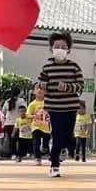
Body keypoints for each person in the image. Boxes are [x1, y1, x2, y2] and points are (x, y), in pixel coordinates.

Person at [37, 32, 84, 178]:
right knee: (56, 135)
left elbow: (80, 86)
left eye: (63, 47)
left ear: (68, 50)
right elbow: (38, 85)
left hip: (70, 107)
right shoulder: (47, 66)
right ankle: (54, 165)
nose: (60, 49)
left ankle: (66, 148)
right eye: (57, 46)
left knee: (68, 134)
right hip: (53, 107)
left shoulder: (74, 67)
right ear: (51, 48)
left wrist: (68, 87)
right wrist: (42, 86)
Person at [28, 83, 51, 166]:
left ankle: (45, 150)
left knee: (46, 144)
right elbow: (28, 115)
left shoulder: (48, 102)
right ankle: (37, 158)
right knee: (36, 143)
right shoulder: (32, 104)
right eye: (37, 88)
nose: (39, 90)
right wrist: (34, 116)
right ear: (34, 92)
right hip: (36, 126)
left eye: (41, 89)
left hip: (46, 127)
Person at [2, 89, 27, 159]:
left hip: (8, 124)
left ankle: (13, 154)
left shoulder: (7, 101)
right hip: (19, 123)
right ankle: (20, 154)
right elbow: (25, 110)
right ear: (18, 93)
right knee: (20, 139)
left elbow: (3, 112)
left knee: (12, 140)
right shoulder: (21, 101)